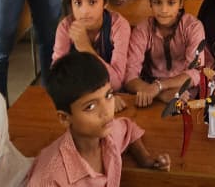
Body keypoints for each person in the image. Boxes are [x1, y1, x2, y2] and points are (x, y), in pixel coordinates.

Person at [25, 52, 171, 185]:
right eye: (90, 107)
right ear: (64, 118)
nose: (106, 112)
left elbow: (129, 129)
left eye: (108, 95)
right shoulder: (50, 178)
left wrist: (145, 159)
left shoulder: (110, 133)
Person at [124, 0, 206, 107]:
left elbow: (196, 72)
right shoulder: (143, 29)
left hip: (185, 93)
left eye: (171, 3)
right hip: (149, 93)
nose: (164, 10)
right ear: (150, 2)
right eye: (157, 2)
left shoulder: (193, 27)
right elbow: (130, 76)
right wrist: (160, 93)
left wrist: (160, 86)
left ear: (180, 3)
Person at [52, 0, 132, 93]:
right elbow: (56, 76)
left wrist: (85, 48)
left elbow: (116, 84)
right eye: (78, 3)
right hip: (78, 92)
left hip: (112, 94)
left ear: (105, 2)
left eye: (92, 2)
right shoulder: (65, 27)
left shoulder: (119, 26)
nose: (84, 11)